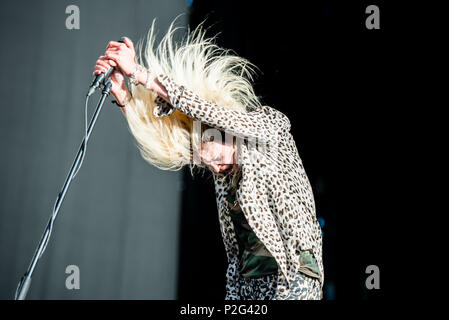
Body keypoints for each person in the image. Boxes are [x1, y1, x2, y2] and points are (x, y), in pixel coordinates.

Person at [93, 20, 324, 300]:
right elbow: (166, 140)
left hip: (294, 279)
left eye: (214, 158)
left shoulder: (268, 127)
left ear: (222, 132)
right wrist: (124, 97)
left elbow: (211, 112)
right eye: (208, 164)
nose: (214, 168)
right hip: (250, 287)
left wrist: (139, 73)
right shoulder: (222, 168)